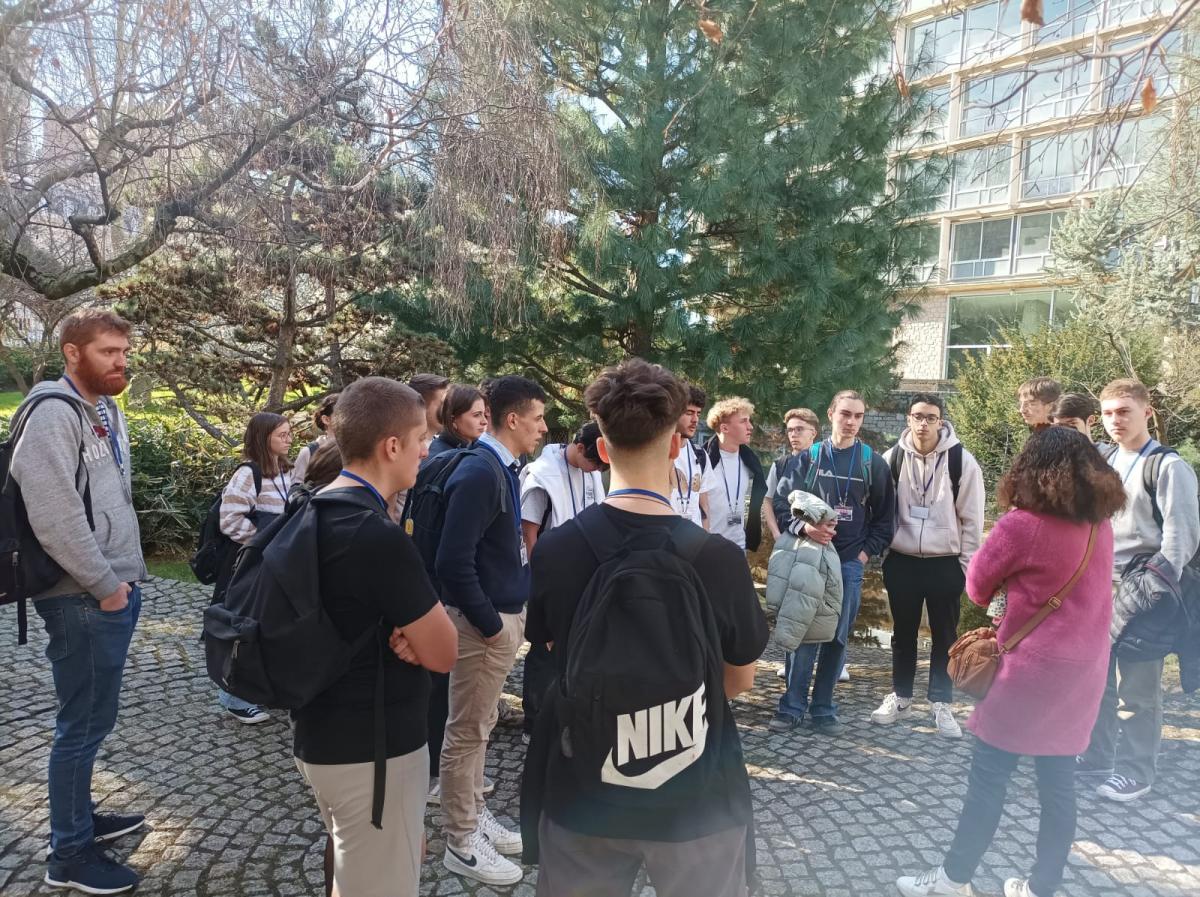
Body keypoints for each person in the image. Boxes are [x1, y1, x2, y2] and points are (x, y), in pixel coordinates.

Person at [522, 358, 769, 897]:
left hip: (581, 785)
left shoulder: (557, 551)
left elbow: (552, 650)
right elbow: (741, 677)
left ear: (603, 449)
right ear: (677, 446)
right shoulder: (716, 559)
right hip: (698, 794)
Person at [897, 426, 1124, 897]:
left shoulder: (1023, 525)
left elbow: (977, 586)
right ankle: (1041, 887)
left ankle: (953, 879)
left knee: (989, 779)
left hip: (1031, 671)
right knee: (1058, 784)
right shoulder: (1098, 525)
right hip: (1086, 671)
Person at [293, 376, 459, 897]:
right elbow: (444, 651)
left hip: (322, 732)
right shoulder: (376, 535)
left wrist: (409, 630)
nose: (427, 450)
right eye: (421, 440)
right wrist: (417, 633)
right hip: (375, 748)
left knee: (356, 872)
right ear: (392, 446)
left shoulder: (314, 509)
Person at [11, 309, 147, 894]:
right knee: (80, 726)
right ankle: (68, 855)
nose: (122, 361)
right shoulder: (51, 413)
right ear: (72, 352)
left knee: (92, 720)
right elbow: (54, 515)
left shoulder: (105, 410)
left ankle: (81, 819)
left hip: (109, 592)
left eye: (124, 350)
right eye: (108, 351)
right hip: (81, 599)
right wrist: (105, 586)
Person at [436, 375, 548, 886]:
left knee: (477, 728)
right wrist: (489, 625)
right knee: (466, 731)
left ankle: (474, 814)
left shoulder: (500, 467)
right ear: (512, 419)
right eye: (538, 417)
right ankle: (461, 840)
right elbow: (452, 562)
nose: (544, 428)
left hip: (500, 617)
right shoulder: (481, 471)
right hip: (485, 626)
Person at [1078, 379, 1200, 802]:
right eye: (1108, 412)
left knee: (1137, 691)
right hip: (1098, 589)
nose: (1115, 420)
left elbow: (1181, 542)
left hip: (1144, 592)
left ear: (1146, 412)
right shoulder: (1106, 458)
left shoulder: (1167, 467)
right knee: (1096, 684)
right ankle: (1096, 758)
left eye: (1124, 411)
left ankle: (1135, 771)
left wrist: (1147, 590)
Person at [769, 390, 894, 735]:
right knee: (803, 632)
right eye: (845, 414)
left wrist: (863, 555)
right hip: (808, 558)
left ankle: (824, 708)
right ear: (830, 415)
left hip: (849, 565)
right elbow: (781, 505)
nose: (851, 422)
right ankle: (791, 707)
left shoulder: (873, 462)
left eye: (858, 416)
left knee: (837, 638)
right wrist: (805, 528)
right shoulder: (809, 457)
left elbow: (885, 519)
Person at [873, 394, 985, 739]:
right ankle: (902, 695)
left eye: (931, 417)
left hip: (944, 563)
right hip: (903, 560)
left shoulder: (961, 461)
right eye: (918, 416)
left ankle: (941, 702)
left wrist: (964, 568)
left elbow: (972, 519)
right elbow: (879, 510)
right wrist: (886, 555)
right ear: (909, 419)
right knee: (902, 635)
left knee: (945, 637)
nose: (923, 424)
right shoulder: (890, 459)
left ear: (941, 422)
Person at [519, 422, 608, 742]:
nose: (597, 470)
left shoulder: (592, 471)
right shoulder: (542, 473)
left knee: (574, 647)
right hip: (551, 574)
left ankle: (566, 714)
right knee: (545, 648)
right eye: (594, 462)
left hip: (584, 574)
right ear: (580, 447)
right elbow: (529, 532)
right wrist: (539, 578)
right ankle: (534, 719)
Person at [214, 412, 294, 723]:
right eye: (282, 435)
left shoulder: (286, 471)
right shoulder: (249, 473)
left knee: (271, 626)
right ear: (263, 438)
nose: (288, 440)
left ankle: (265, 689)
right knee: (244, 626)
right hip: (254, 562)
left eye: (289, 434)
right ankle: (233, 696)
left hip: (278, 563)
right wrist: (262, 543)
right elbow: (230, 519)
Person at [704, 398, 768, 551]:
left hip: (739, 546)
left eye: (749, 421)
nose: (750, 427)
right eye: (743, 421)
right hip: (708, 547)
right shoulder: (703, 461)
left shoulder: (750, 461)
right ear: (725, 428)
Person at [764, 408, 820, 541]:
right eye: (790, 430)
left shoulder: (824, 463)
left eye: (799, 429)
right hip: (787, 536)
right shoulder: (780, 464)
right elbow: (768, 500)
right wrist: (776, 533)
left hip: (818, 537)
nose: (793, 434)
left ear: (813, 433)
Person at [669, 383, 720, 529]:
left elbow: (704, 506)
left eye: (698, 413)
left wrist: (705, 541)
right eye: (689, 413)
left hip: (694, 544)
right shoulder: (656, 454)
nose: (695, 420)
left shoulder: (700, 455)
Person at [429, 384, 488, 458]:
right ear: (453, 419)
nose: (484, 421)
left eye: (484, 414)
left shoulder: (473, 448)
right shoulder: (441, 460)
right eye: (476, 415)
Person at [292, 392, 339, 483]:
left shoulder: (359, 449)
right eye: (342, 413)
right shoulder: (309, 452)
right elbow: (296, 488)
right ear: (326, 419)